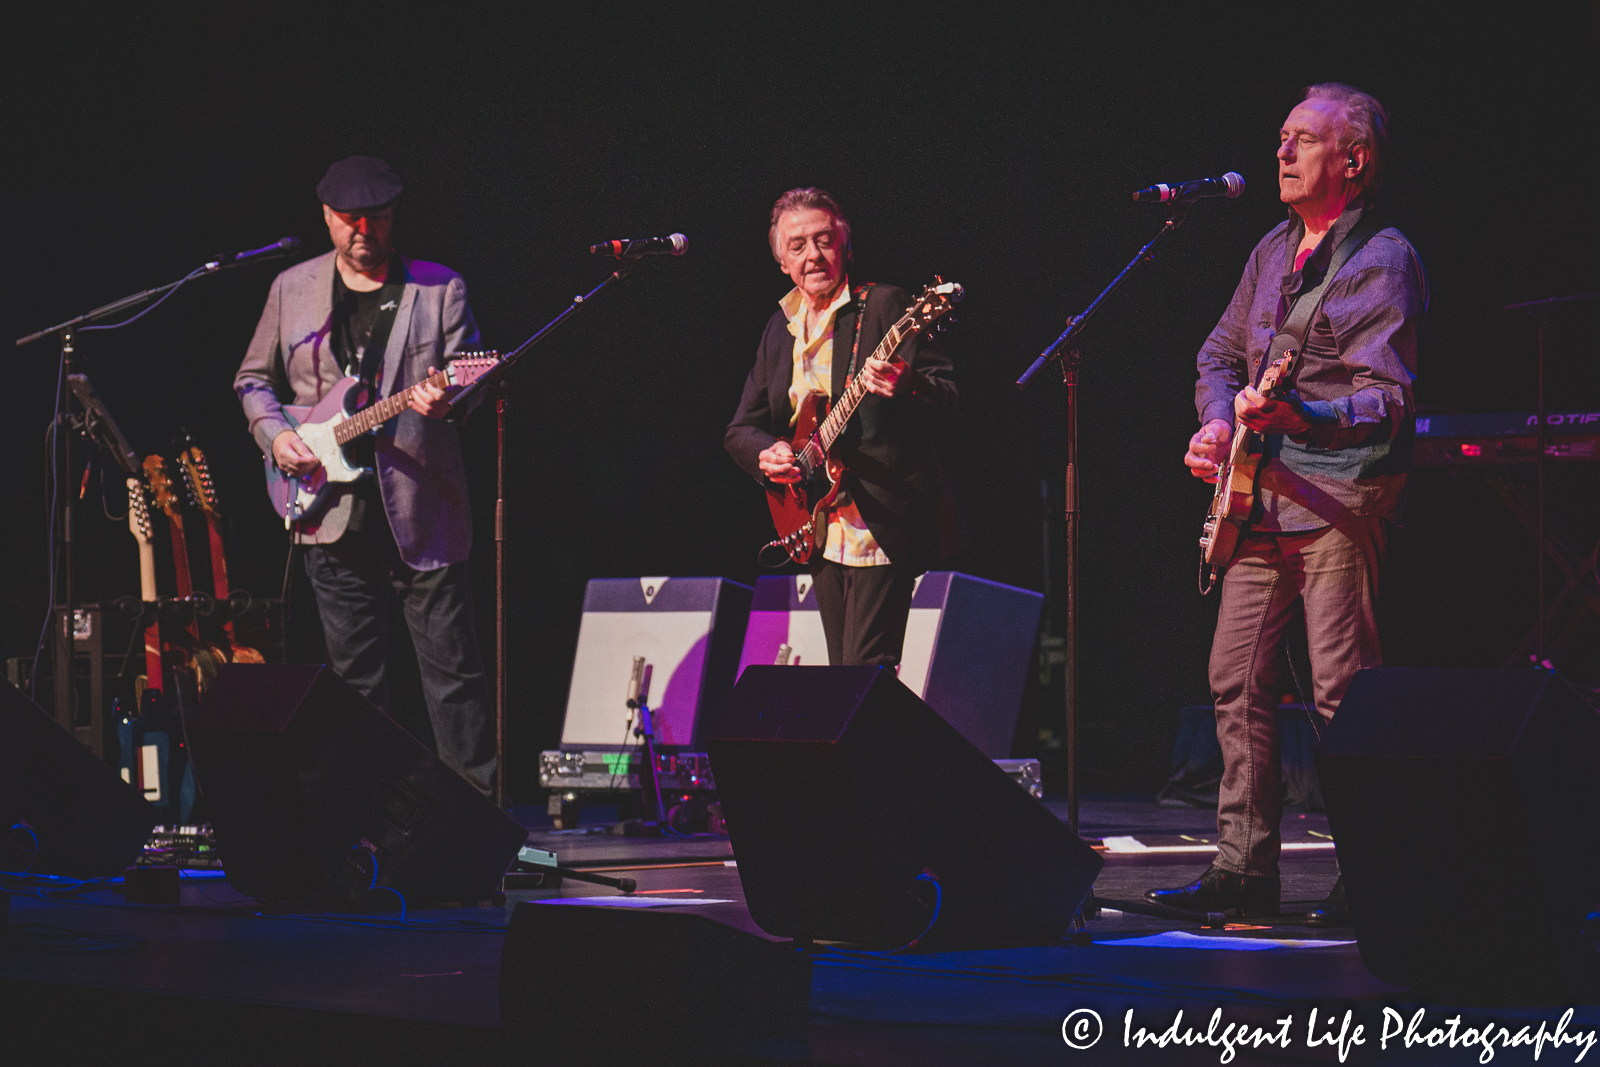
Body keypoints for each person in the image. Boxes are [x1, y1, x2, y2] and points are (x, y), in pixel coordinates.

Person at [1146, 85, 1428, 919]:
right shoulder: (1272, 247)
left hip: (1341, 497)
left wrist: (1302, 414)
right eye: (1281, 138)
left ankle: (1376, 872)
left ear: (1353, 161)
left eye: (1302, 140)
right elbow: (1217, 354)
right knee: (1234, 679)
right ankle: (1243, 868)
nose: (1282, 152)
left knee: (1344, 692)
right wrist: (1212, 425)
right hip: (1259, 498)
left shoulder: (1382, 257)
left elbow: (1389, 400)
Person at [234, 155, 496, 796]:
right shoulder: (291, 288)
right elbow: (252, 381)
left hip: (422, 512)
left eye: (375, 219)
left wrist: (451, 399)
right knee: (354, 686)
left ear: (392, 218)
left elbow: (473, 374)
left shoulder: (439, 290)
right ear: (326, 217)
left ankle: (475, 831)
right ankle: (367, 827)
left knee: (453, 679)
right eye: (349, 220)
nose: (363, 232)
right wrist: (279, 436)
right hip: (326, 515)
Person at [725, 187, 965, 667]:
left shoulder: (883, 306)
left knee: (863, 672)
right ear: (782, 262)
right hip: (815, 521)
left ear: (845, 246)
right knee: (843, 675)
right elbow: (740, 431)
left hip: (881, 520)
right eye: (798, 246)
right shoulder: (780, 329)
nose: (813, 255)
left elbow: (951, 398)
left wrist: (908, 383)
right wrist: (765, 456)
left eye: (824, 240)